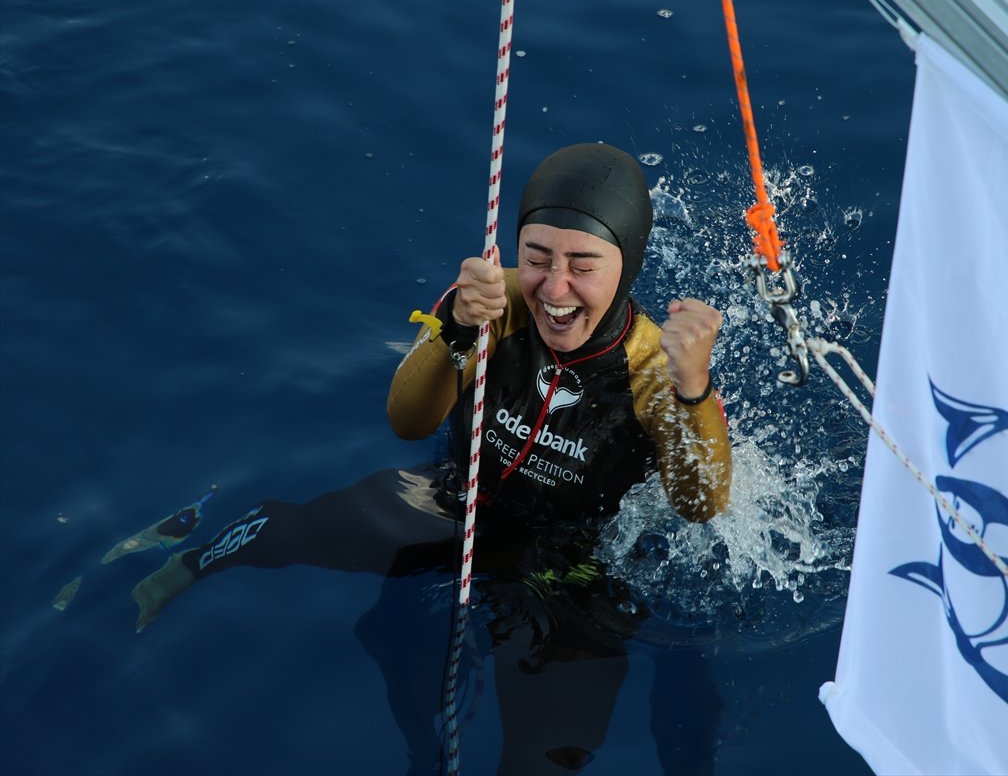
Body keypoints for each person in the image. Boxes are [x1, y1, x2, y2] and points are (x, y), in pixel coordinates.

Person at [131, 143, 732, 775]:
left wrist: (694, 389)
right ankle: (182, 566)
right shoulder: (489, 303)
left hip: (572, 571)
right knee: (304, 546)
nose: (554, 288)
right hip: (454, 501)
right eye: (535, 258)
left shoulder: (655, 367)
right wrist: (452, 327)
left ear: (626, 266)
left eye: (583, 265)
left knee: (547, 760)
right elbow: (407, 421)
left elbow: (702, 506)